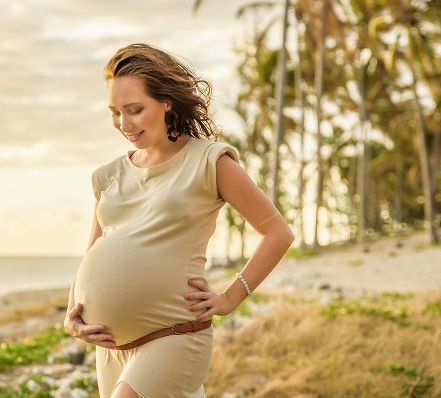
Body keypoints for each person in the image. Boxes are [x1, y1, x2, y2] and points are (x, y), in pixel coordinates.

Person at [63, 43, 295, 398]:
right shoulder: (107, 176)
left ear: (166, 101)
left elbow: (277, 232)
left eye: (135, 110)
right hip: (109, 348)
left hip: (174, 336)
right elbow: (93, 252)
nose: (124, 124)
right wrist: (71, 314)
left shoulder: (210, 161)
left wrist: (232, 296)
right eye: (115, 112)